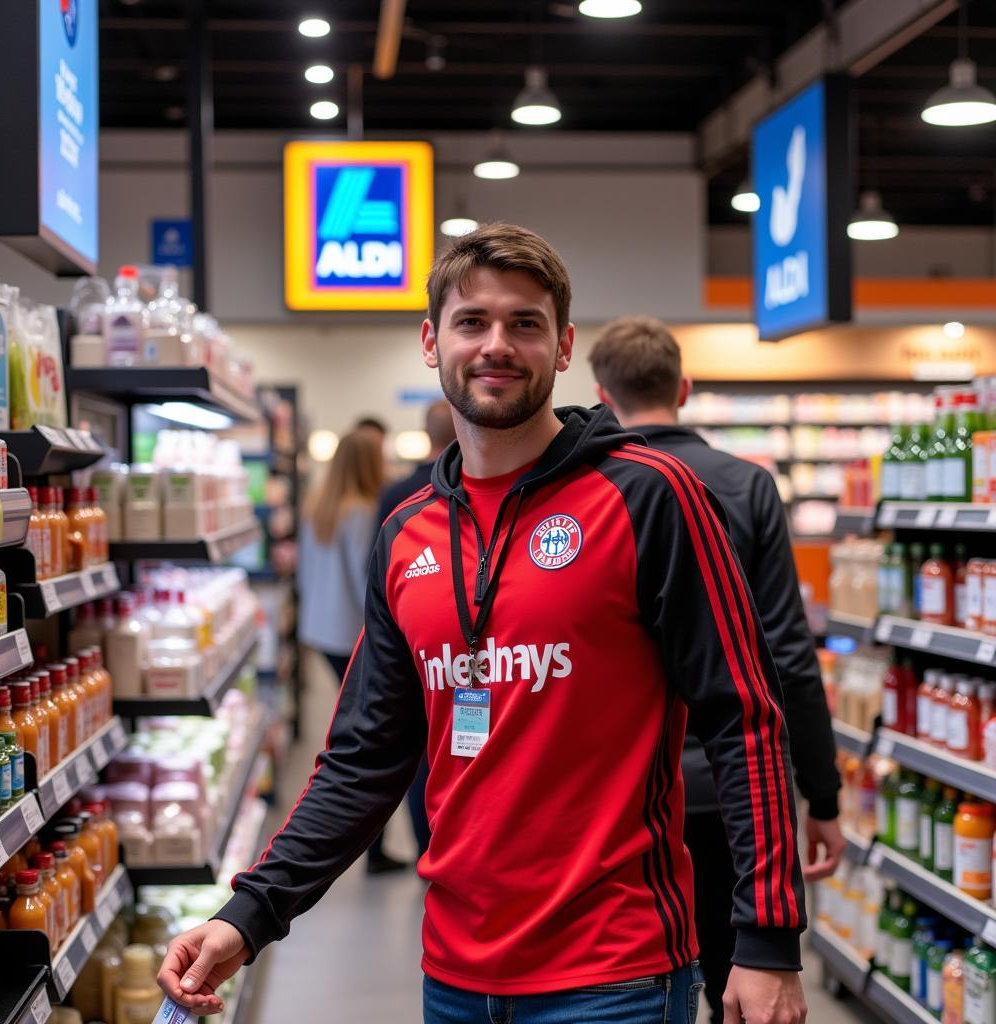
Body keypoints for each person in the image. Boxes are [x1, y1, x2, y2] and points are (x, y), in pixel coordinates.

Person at [158, 224, 808, 1024]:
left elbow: (744, 718)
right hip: (455, 976)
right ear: (432, 342)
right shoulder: (408, 534)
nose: (496, 345)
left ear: (564, 347)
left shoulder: (651, 497)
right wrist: (246, 916)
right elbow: (365, 756)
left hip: (617, 975)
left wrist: (768, 940)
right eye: (472, 322)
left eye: (524, 324)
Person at [589, 315, 842, 1024]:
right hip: (737, 794)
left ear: (601, 394)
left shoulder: (590, 492)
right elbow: (788, 656)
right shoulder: (746, 484)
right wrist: (819, 794)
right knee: (745, 985)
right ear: (686, 389)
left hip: (631, 800)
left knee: (643, 986)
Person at [296, 427, 404, 874]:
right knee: (372, 738)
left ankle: (372, 847)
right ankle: (373, 850)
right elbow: (372, 577)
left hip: (320, 629)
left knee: (358, 730)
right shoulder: (362, 512)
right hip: (351, 632)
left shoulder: (316, 507)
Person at [376, 399, 457, 860]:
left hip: (411, 643)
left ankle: (429, 843)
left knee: (417, 746)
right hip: (465, 654)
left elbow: (381, 572)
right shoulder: (424, 498)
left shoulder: (397, 495)